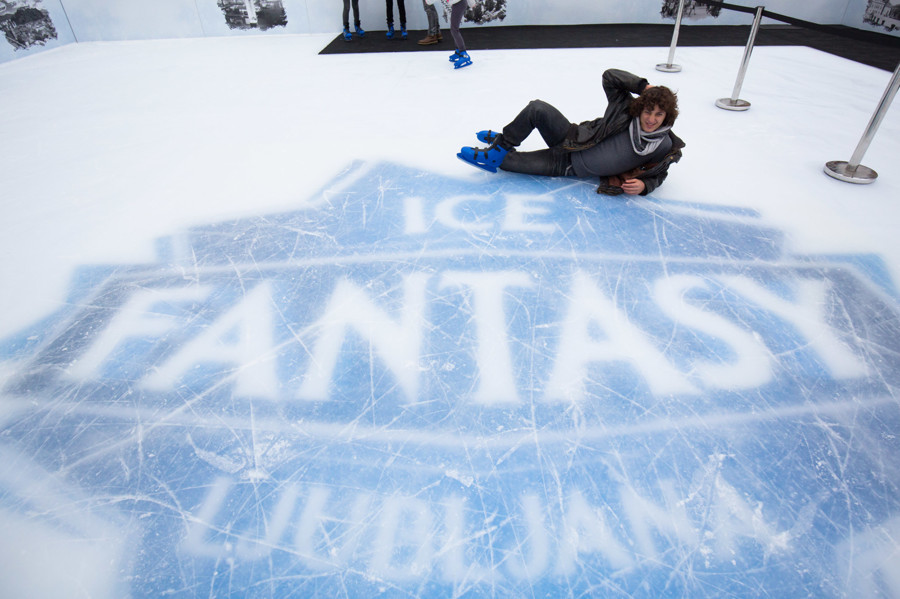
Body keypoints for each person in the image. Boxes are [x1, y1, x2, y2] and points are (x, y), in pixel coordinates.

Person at [457, 69, 685, 195]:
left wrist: (645, 186)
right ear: (641, 108)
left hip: (566, 166)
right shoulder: (625, 111)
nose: (651, 119)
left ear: (667, 116)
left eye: (658, 114)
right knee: (537, 108)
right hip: (571, 139)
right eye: (648, 111)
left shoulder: (664, 146)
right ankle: (501, 145)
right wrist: (643, 87)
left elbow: (659, 173)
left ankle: (503, 146)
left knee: (507, 164)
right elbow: (610, 77)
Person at [447, 0, 475, 69]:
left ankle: (463, 54)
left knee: (454, 29)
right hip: (456, 3)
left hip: (459, 3)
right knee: (454, 29)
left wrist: (472, 3)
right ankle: (458, 51)